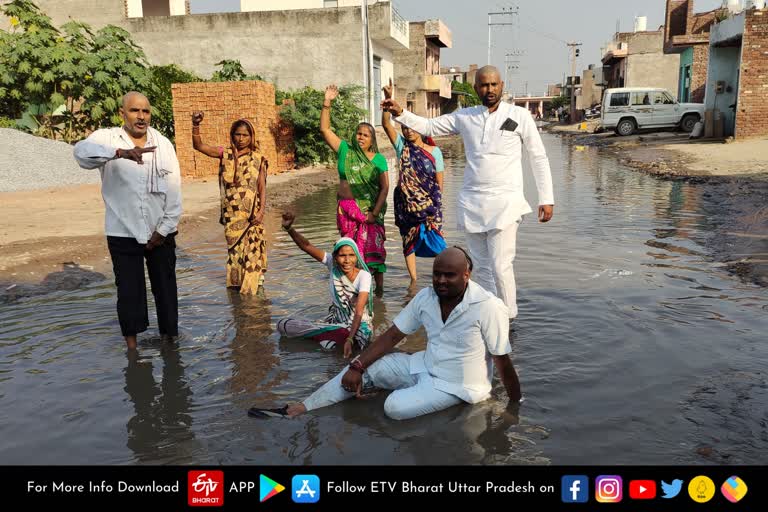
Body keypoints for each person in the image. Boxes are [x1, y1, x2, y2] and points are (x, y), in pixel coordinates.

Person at [250, 247, 521, 421]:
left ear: (467, 275)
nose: (440, 281)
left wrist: (514, 407)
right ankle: (302, 407)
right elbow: (392, 336)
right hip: (424, 366)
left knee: (394, 409)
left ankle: (384, 389)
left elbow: (502, 362)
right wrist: (357, 365)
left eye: (449, 276)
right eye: (436, 274)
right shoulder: (427, 297)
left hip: (459, 386)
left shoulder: (489, 307)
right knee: (362, 369)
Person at [381, 66, 554, 321]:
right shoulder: (465, 117)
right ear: (476, 89)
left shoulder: (519, 115)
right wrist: (400, 113)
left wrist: (546, 197)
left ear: (502, 85)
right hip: (473, 202)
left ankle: (509, 318)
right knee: (481, 267)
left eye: (494, 84)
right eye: (484, 85)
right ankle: (488, 314)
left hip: (507, 202)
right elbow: (429, 126)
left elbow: (538, 156)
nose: (490, 89)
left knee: (500, 265)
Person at [74, 91, 182, 351]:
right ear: (123, 113)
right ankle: (132, 350)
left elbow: (175, 190)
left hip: (161, 231)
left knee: (166, 290)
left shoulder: (163, 144)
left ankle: (170, 343)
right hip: (122, 230)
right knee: (129, 292)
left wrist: (164, 230)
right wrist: (119, 153)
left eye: (145, 111)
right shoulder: (107, 138)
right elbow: (80, 153)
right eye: (135, 111)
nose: (141, 116)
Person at [320, 84, 389, 294]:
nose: (360, 137)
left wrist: (374, 213)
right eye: (358, 133)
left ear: (372, 140)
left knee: (373, 250)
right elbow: (324, 129)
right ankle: (352, 289)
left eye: (365, 135)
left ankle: (378, 292)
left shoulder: (378, 159)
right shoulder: (344, 150)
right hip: (346, 211)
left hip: (369, 211)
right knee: (350, 251)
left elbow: (385, 188)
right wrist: (327, 103)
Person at [275, 212, 373, 358]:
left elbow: (359, 312)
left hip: (358, 329)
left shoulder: (364, 276)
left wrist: (350, 338)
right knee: (283, 324)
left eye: (351, 256)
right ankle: (329, 337)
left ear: (357, 257)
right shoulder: (332, 264)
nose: (347, 260)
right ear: (335, 257)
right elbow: (306, 246)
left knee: (344, 335)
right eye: (342, 255)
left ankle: (328, 338)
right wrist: (290, 229)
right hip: (336, 322)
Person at [190, 112, 268, 295]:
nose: (241, 139)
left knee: (252, 249)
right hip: (231, 214)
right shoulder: (224, 154)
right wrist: (195, 125)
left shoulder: (258, 158)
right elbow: (199, 146)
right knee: (234, 252)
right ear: (232, 135)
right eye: (237, 134)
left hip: (251, 214)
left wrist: (261, 211)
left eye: (245, 135)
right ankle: (236, 289)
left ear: (251, 137)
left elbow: (261, 187)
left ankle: (252, 292)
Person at [380, 79, 446, 284]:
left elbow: (439, 183)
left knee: (436, 241)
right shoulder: (402, 147)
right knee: (408, 241)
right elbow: (385, 125)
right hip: (406, 204)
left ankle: (442, 275)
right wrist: (388, 101)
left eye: (411, 127)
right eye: (405, 128)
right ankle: (414, 281)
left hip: (429, 205)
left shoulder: (435, 152)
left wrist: (433, 206)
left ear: (420, 128)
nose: (408, 131)